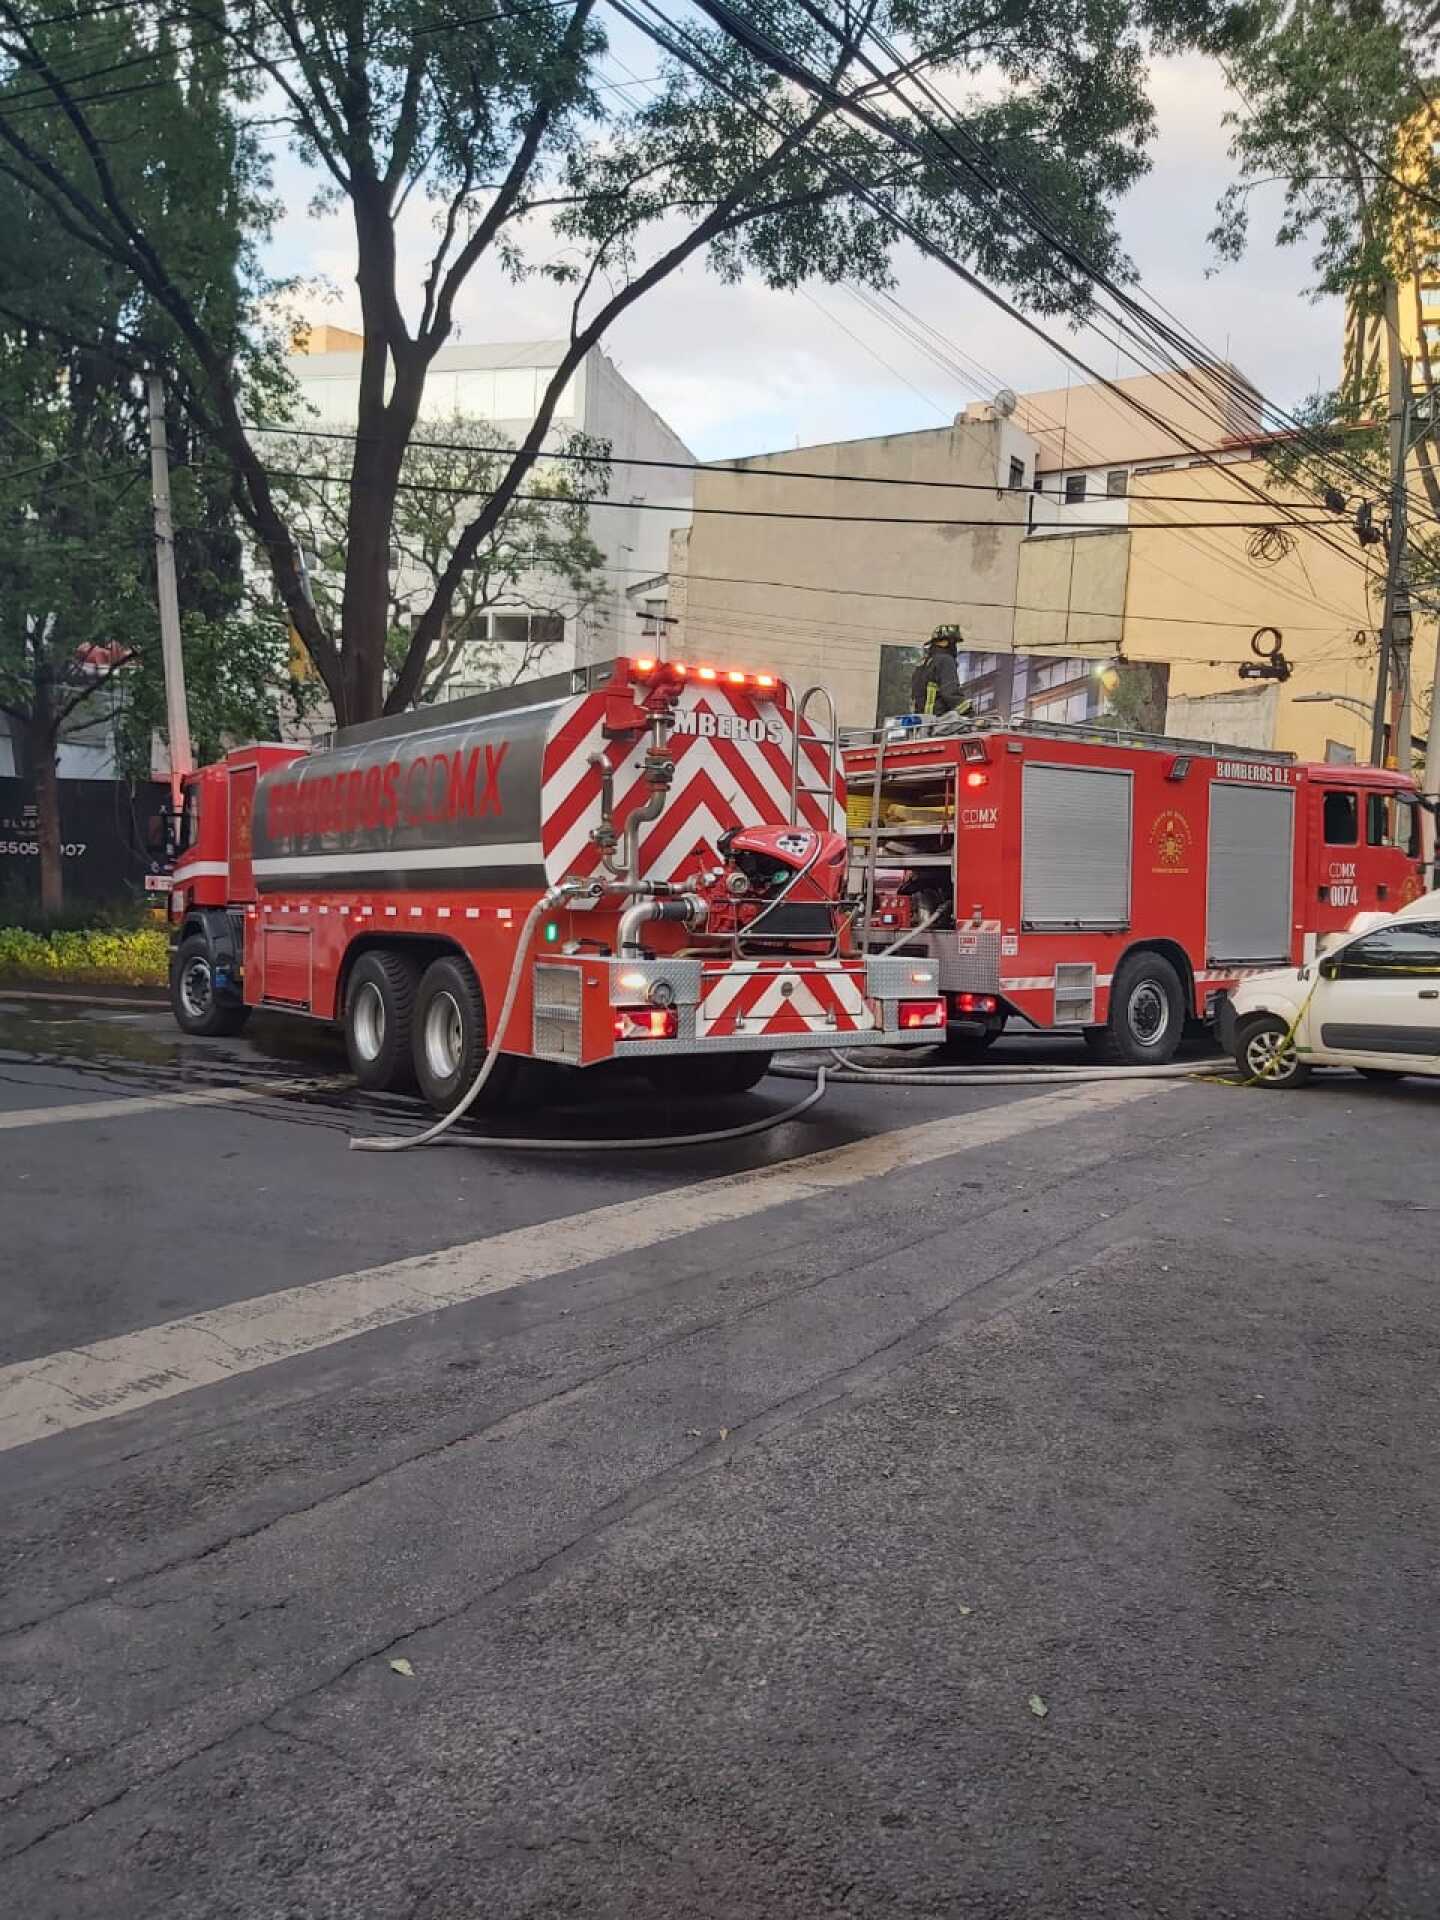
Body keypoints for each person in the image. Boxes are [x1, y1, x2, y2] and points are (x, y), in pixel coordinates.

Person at [910, 623, 971, 718]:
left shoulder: (924, 663)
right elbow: (951, 693)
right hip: (938, 720)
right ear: (945, 642)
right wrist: (969, 713)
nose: (955, 647)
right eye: (954, 642)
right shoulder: (945, 660)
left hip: (921, 721)